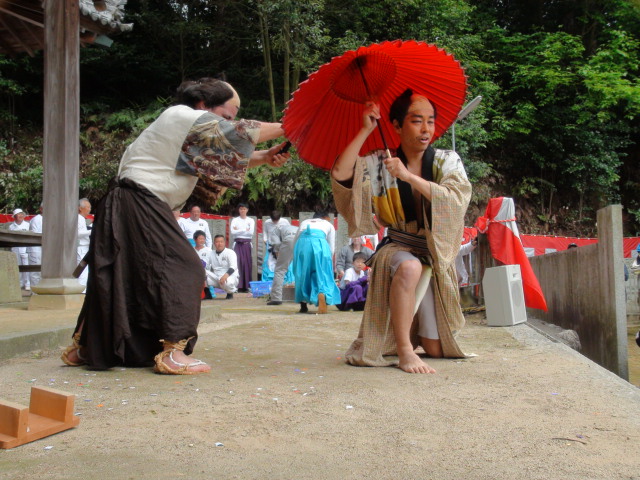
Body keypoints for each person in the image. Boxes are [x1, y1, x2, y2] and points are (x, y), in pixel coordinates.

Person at [60, 77, 290, 375]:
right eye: (226, 116)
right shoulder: (180, 115)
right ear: (203, 105)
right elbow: (237, 135)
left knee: (121, 276)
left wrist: (266, 157)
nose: (230, 123)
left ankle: (88, 347)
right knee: (185, 268)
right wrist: (292, 125)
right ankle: (173, 352)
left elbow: (222, 162)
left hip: (128, 202)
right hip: (140, 201)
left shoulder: (180, 130)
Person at [331, 89, 471, 374]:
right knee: (408, 267)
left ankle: (412, 332)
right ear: (395, 125)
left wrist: (408, 177)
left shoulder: (447, 160)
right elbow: (342, 175)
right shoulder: (381, 163)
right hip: (399, 247)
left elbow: (456, 200)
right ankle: (405, 349)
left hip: (434, 251)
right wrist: (364, 130)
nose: (426, 129)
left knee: (436, 349)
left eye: (430, 121)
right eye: (417, 121)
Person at [293, 212, 341, 314]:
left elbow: (295, 239)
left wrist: (296, 253)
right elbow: (331, 246)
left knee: (302, 274)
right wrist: (328, 260)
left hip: (302, 245)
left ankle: (303, 305)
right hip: (320, 246)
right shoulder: (328, 225)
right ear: (324, 217)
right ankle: (322, 294)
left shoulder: (304, 222)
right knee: (322, 274)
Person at [266, 222, 299, 305]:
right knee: (301, 269)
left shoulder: (274, 231)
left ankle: (276, 298)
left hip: (289, 240)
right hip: (302, 240)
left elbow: (276, 243)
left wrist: (277, 252)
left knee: (280, 270)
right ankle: (304, 297)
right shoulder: (295, 227)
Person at [205, 235, 239, 299]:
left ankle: (230, 293)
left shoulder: (230, 252)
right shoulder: (210, 253)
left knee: (228, 283)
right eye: (217, 242)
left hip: (229, 276)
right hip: (216, 278)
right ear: (214, 243)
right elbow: (206, 265)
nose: (219, 244)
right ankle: (208, 294)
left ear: (224, 243)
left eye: (221, 242)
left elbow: (233, 267)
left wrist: (225, 276)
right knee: (202, 272)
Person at [230, 203, 255, 292]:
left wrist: (239, 230)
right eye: (241, 209)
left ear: (247, 210)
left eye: (244, 209)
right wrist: (244, 230)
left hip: (246, 244)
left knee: (247, 263)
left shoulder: (251, 220)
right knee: (237, 263)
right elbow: (233, 232)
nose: (242, 211)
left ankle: (247, 285)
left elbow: (251, 232)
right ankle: (238, 285)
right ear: (238, 210)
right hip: (237, 243)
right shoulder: (235, 220)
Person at [261, 210, 290, 282]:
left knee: (284, 263)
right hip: (271, 246)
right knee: (270, 263)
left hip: (282, 246)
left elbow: (289, 231)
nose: (275, 222)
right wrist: (265, 239)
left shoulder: (285, 222)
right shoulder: (267, 222)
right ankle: (270, 280)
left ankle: (285, 281)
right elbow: (265, 232)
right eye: (273, 220)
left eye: (276, 220)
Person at [9, 208, 30, 290]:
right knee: (17, 266)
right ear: (14, 216)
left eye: (22, 214)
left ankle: (27, 283)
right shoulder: (11, 226)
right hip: (15, 248)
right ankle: (20, 283)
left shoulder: (27, 225)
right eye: (19, 214)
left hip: (25, 248)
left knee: (26, 266)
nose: (21, 216)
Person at [77, 198, 92, 291]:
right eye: (88, 207)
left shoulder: (82, 219)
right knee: (82, 271)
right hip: (81, 247)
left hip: (85, 247)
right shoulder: (78, 218)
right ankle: (81, 291)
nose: (89, 209)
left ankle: (83, 290)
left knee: (85, 271)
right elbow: (78, 233)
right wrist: (92, 231)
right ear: (80, 208)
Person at [27, 204, 43, 288]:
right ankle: (34, 292)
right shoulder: (36, 220)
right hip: (35, 248)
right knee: (35, 271)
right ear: (41, 209)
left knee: (42, 271)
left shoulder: (50, 219)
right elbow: (36, 234)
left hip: (45, 248)